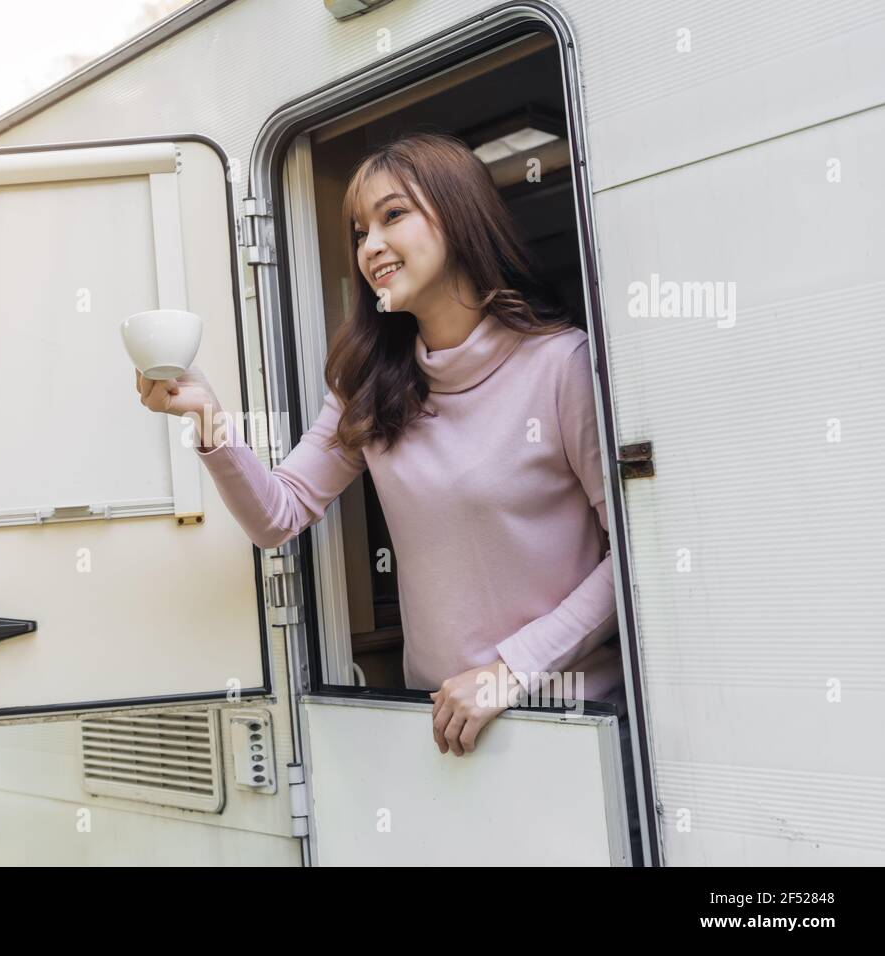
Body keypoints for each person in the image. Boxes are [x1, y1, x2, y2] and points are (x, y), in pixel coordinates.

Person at [136, 132, 640, 861]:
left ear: (461, 216)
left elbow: (633, 556)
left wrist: (510, 672)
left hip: (570, 719)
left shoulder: (560, 365)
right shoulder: (369, 384)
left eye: (393, 216)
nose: (370, 244)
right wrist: (211, 423)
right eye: (359, 230)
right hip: (438, 724)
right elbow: (278, 517)